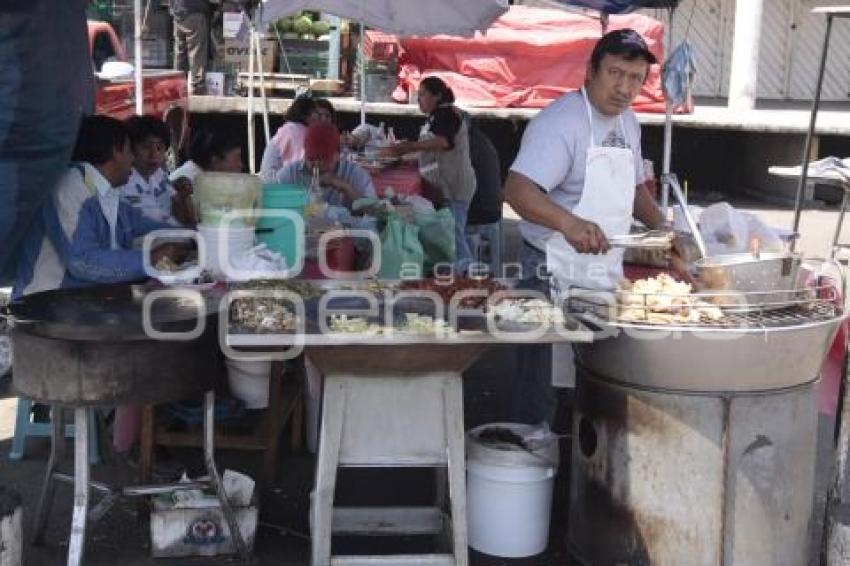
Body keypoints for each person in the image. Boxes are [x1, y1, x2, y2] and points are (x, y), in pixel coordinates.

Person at [504, 29, 669, 426]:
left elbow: (633, 188)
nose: (624, 87)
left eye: (634, 78)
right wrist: (569, 223)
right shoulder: (561, 123)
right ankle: (528, 461)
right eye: (615, 73)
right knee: (540, 382)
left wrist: (666, 229)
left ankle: (573, 461)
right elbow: (517, 190)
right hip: (548, 269)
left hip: (598, 272)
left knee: (589, 375)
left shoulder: (628, 123)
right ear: (590, 72)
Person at [14, 115, 184, 299]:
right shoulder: (72, 186)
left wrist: (193, 234)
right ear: (115, 151)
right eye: (129, 151)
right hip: (44, 304)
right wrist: (149, 259)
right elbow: (82, 261)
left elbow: (140, 223)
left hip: (83, 301)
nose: (133, 159)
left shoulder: (106, 191)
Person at [383, 77, 476, 271]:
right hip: (443, 186)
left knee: (454, 234)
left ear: (438, 96)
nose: (419, 99)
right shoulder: (436, 116)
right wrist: (403, 155)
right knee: (447, 232)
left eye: (423, 94)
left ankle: (466, 274)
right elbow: (428, 149)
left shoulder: (447, 114)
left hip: (455, 185)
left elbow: (443, 142)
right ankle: (452, 272)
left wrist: (409, 146)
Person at [275, 121, 376, 209]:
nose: (316, 164)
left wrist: (346, 188)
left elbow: (377, 212)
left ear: (338, 154)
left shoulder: (355, 174)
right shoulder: (289, 175)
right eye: (311, 159)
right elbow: (274, 210)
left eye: (323, 159)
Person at [121, 115, 194, 226]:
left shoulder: (158, 174)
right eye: (146, 147)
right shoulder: (124, 181)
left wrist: (183, 196)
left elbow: (183, 217)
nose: (154, 154)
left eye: (160, 148)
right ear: (130, 149)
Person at [260, 96, 317, 182]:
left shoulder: (289, 128)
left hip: (269, 181)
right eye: (315, 113)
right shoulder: (297, 131)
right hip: (276, 185)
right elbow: (300, 165)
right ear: (306, 114)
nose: (318, 118)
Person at [170, 0, 211, 95]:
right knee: (197, 51)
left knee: (180, 51)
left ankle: (177, 85)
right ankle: (197, 87)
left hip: (178, 12)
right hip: (194, 10)